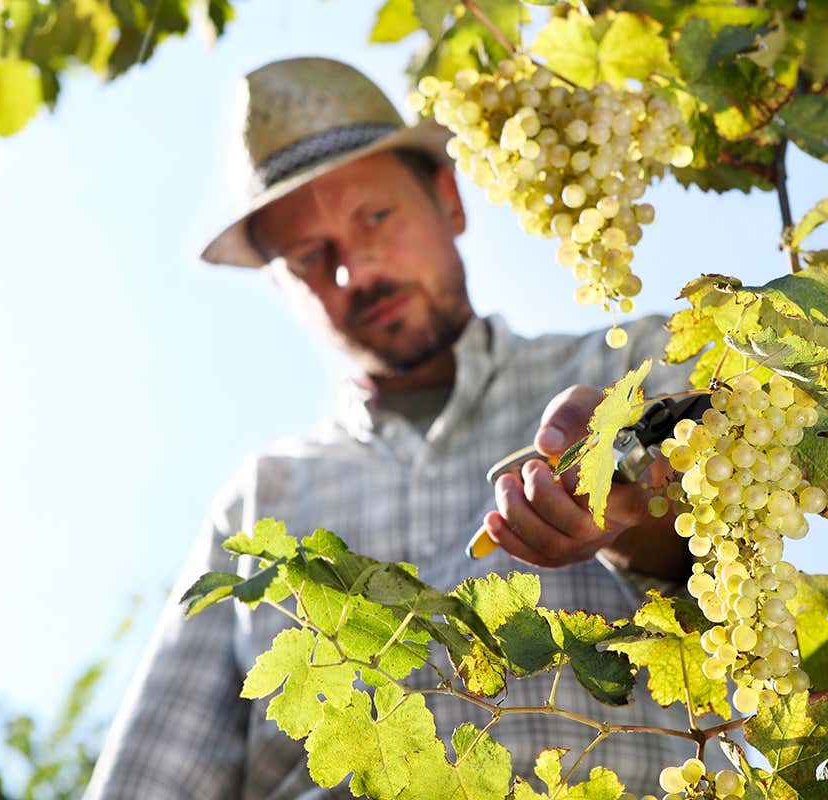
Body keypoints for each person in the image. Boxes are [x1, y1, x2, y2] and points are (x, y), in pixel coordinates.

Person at [85, 57, 701, 800]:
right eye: (311, 256)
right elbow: (152, 780)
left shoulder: (630, 369)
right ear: (282, 286)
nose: (355, 271)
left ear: (449, 199)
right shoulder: (261, 503)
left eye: (373, 217)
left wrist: (630, 519)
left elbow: (725, 545)